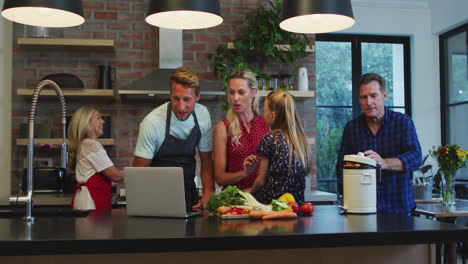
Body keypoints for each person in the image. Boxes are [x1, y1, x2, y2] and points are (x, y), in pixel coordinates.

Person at [336, 73, 422, 215]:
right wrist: (350, 197)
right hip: (361, 211)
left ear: (385, 95)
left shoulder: (403, 122)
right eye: (363, 97)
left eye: (374, 95)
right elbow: (341, 168)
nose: (369, 102)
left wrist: (384, 163)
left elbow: (416, 157)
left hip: (399, 210)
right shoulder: (351, 129)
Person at [133, 66, 214, 209]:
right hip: (156, 197)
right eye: (176, 99)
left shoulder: (202, 116)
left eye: (187, 99)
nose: (181, 107)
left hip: (189, 194)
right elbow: (138, 173)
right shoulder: (152, 123)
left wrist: (208, 192)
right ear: (170, 95)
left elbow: (206, 160)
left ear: (197, 96)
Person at [247, 91, 313, 204]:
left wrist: (250, 191)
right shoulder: (301, 139)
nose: (264, 115)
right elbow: (306, 170)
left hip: (272, 204)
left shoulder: (270, 138)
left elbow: (260, 181)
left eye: (265, 110)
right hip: (296, 206)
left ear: (273, 115)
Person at [213, 68, 270, 190]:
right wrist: (244, 173)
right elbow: (219, 178)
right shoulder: (223, 128)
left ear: (253, 92)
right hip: (236, 200)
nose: (235, 98)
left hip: (264, 199)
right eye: (232, 92)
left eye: (241, 92)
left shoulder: (266, 125)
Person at [68, 106, 124, 210]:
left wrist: (126, 177)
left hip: (87, 199)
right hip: (91, 201)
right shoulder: (91, 145)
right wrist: (136, 172)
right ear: (86, 123)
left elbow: (109, 180)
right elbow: (114, 175)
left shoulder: (85, 144)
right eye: (98, 118)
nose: (103, 121)